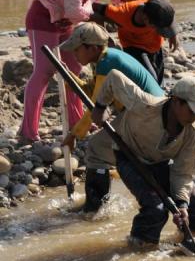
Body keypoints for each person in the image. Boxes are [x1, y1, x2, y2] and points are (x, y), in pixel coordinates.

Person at [19, 0, 138, 142]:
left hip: (66, 21)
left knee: (73, 70)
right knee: (44, 72)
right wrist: (100, 16)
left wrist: (143, 2)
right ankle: (28, 132)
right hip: (43, 19)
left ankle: (76, 121)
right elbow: (75, 10)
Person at [91, 69, 195, 247]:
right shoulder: (144, 104)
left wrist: (181, 205)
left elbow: (183, 172)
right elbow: (113, 77)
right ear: (176, 102)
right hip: (129, 157)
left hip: (158, 162)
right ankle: (138, 247)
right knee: (155, 209)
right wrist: (100, 107)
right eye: (192, 111)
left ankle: (188, 240)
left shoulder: (190, 133)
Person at [59, 22, 164, 211]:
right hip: (144, 113)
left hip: (147, 116)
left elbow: (95, 106)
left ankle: (94, 209)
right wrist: (68, 76)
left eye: (77, 49)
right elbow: (92, 91)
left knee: (97, 148)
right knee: (106, 148)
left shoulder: (107, 62)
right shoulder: (104, 59)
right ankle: (97, 205)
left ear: (92, 47)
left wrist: (74, 135)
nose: (74, 54)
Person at [92, 0, 181, 85]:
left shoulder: (158, 6)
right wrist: (105, 35)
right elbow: (95, 7)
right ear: (146, 19)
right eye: (158, 28)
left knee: (159, 80)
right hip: (134, 47)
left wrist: (173, 35)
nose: (160, 31)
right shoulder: (122, 13)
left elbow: (169, 14)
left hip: (154, 45)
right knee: (151, 80)